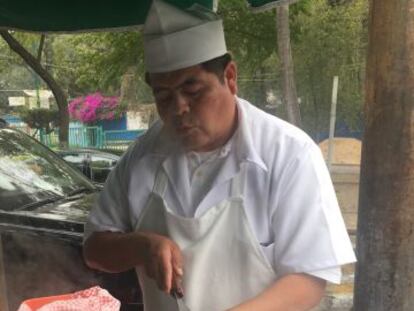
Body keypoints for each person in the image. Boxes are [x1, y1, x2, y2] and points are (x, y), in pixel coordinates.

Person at [83, 1, 356, 310]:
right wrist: (141, 246)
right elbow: (94, 249)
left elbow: (308, 278)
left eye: (193, 90)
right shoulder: (142, 157)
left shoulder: (288, 154)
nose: (179, 108)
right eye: (164, 96)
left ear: (230, 76)